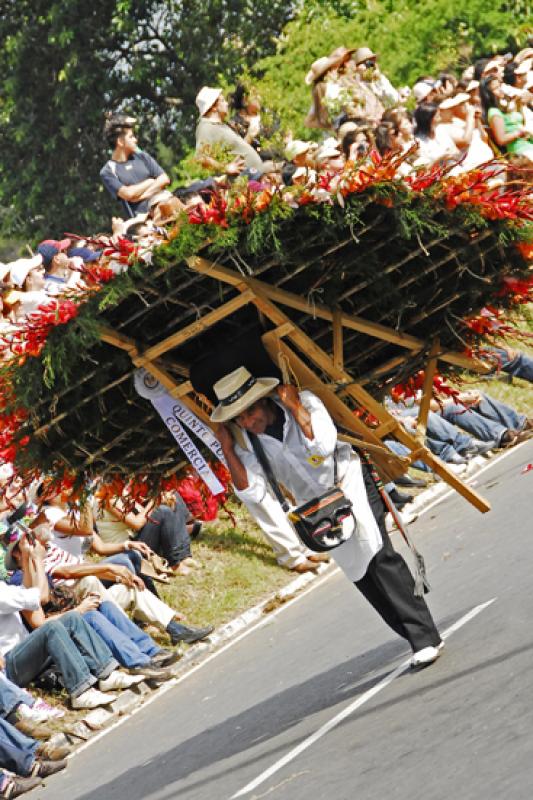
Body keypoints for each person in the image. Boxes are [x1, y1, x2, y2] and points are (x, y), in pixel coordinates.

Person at [213, 367, 443, 668]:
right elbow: (253, 493)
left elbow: (323, 447)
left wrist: (296, 408)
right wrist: (227, 448)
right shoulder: (246, 442)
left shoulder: (306, 402)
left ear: (266, 400)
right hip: (317, 508)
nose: (248, 421)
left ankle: (423, 637)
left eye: (250, 411)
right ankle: (412, 633)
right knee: (360, 574)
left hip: (349, 482)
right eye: (239, 418)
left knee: (377, 555)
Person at [0, 534, 125, 710]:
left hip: (24, 653)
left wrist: (28, 557)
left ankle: (106, 673)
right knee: (51, 627)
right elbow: (41, 597)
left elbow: (25, 590)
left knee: (72, 618)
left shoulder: (4, 587)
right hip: (10, 665)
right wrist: (37, 559)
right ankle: (80, 691)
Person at [100, 114, 171, 218]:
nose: (135, 140)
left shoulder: (142, 156)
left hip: (165, 205)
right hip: (143, 221)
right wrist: (150, 181)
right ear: (120, 142)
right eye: (131, 137)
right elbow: (128, 194)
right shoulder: (107, 171)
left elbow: (165, 179)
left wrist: (139, 197)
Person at [195, 87, 267, 176]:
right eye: (222, 101)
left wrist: (250, 135)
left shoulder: (222, 125)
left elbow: (239, 152)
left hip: (254, 176)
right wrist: (225, 168)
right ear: (214, 107)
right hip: (242, 182)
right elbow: (201, 157)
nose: (226, 104)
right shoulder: (206, 127)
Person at [480, 76, 533, 160]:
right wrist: (521, 132)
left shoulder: (505, 106)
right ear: (489, 94)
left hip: (528, 143)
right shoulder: (494, 112)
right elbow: (501, 139)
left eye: (500, 86)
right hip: (520, 150)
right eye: (496, 88)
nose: (500, 89)